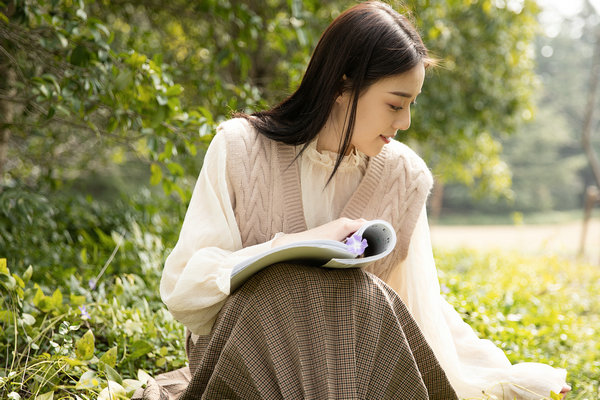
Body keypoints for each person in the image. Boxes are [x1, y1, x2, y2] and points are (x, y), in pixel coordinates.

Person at [152, 1, 570, 399]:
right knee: (289, 286)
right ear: (341, 84)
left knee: (359, 294)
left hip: (351, 359)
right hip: (251, 354)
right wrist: (288, 247)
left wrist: (505, 380)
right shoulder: (241, 148)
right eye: (395, 104)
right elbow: (185, 289)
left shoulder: (404, 176)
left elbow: (420, 307)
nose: (404, 122)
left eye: (411, 106)